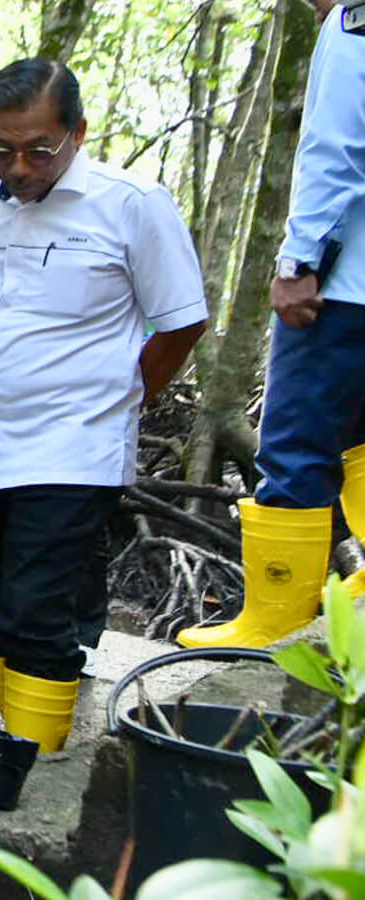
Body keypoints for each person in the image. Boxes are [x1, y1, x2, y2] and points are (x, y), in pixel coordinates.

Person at [0, 59, 205, 752]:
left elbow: (182, 321)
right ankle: (16, 745)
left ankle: (30, 772)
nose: (19, 167)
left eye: (39, 149)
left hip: (72, 449)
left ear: (78, 133)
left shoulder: (132, 204)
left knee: (36, 618)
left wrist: (126, 397)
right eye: (1, 150)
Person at [179, 0, 365, 646]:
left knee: (295, 446)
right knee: (359, 440)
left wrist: (299, 262)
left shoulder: (351, 24)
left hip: (342, 288)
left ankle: (274, 623)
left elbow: (334, 152)